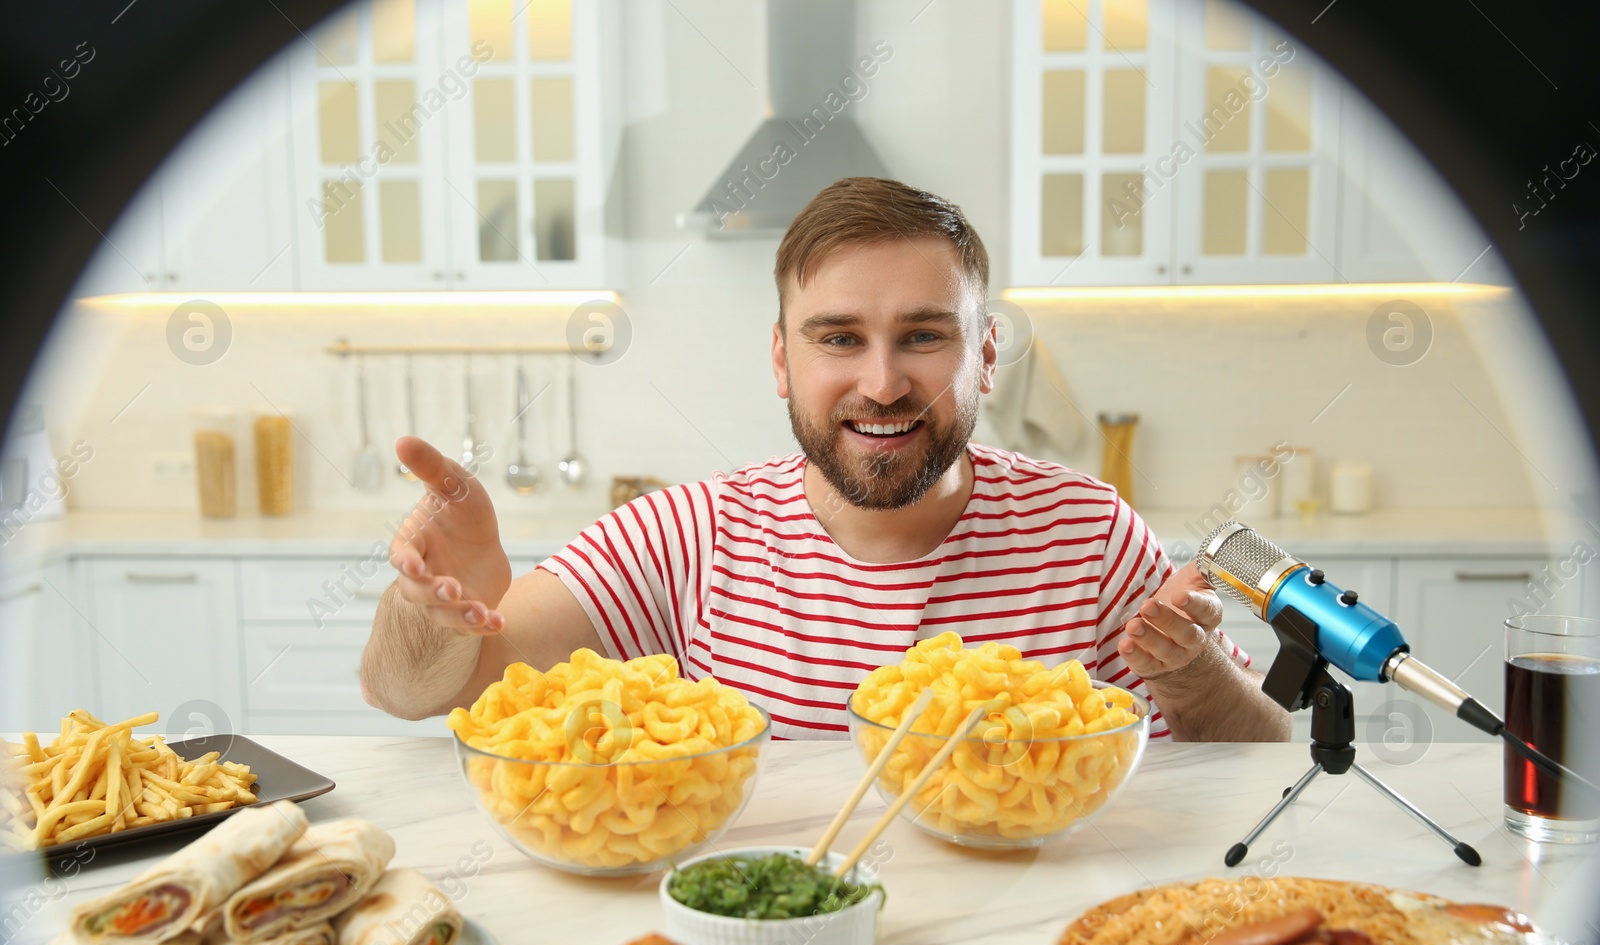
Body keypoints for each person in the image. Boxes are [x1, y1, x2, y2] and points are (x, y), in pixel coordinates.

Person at [361, 177, 1290, 743]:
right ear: (781, 359)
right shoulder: (690, 533)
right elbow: (419, 697)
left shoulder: (1085, 529)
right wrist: (431, 613)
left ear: (988, 355)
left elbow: (1259, 746)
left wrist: (1199, 677)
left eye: (924, 336)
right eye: (838, 338)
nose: (883, 383)